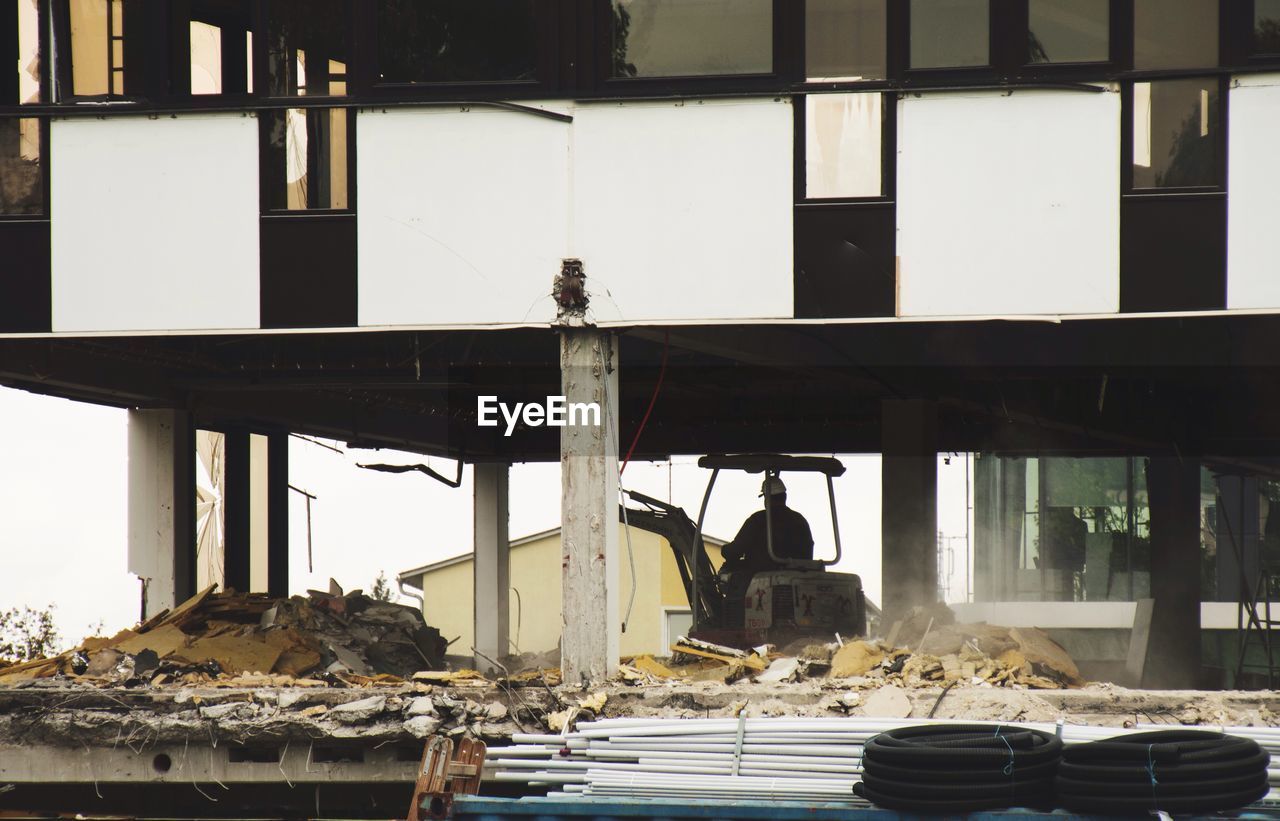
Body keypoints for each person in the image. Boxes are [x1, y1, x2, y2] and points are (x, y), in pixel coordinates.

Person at [722, 476, 815, 576]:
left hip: (761, 576)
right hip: (798, 574)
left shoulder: (758, 519)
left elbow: (736, 550)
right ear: (785, 496)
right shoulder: (800, 520)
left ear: (767, 497)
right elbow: (808, 552)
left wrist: (725, 550)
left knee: (728, 569)